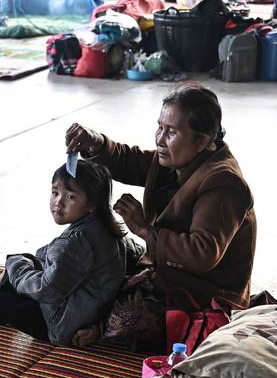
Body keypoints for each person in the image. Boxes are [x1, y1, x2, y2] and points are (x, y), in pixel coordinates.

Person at [63, 84, 257, 349]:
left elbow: (203, 253)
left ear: (201, 140)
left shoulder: (223, 183)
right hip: (165, 272)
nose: (160, 138)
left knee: (122, 320)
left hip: (204, 292)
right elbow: (129, 161)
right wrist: (96, 142)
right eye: (160, 127)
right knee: (101, 264)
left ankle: (104, 330)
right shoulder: (179, 159)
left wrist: (145, 230)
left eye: (172, 131)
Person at [0, 162, 129, 346]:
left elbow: (46, 290)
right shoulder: (107, 230)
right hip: (85, 316)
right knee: (26, 262)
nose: (59, 201)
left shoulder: (73, 243)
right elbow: (48, 258)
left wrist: (16, 267)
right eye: (55, 193)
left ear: (92, 205)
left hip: (61, 327)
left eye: (70, 196)